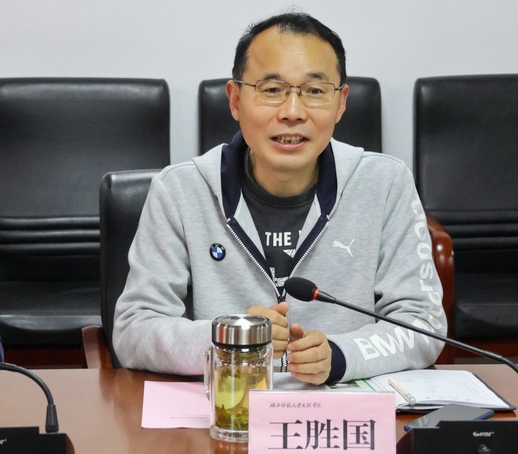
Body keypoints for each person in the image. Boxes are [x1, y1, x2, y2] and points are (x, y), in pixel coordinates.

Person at [113, 12, 447, 385]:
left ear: (341, 103)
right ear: (235, 99)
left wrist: (341, 356)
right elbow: (133, 331)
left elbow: (423, 323)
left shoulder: (385, 184)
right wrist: (230, 337)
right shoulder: (179, 191)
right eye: (272, 90)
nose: (292, 113)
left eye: (315, 91)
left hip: (341, 410)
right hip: (227, 408)